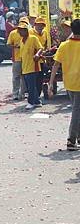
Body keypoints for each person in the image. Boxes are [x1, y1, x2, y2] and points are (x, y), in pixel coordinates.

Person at [48, 19, 80, 150]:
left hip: (69, 83)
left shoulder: (64, 45)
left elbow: (56, 64)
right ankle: (71, 140)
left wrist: (51, 83)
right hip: (78, 83)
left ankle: (78, 138)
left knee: (77, 111)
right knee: (76, 112)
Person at [18, 22, 43, 110]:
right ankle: (37, 101)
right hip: (25, 67)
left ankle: (31, 102)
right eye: (19, 30)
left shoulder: (33, 38)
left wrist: (37, 54)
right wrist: (21, 68)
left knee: (31, 86)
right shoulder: (21, 41)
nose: (20, 32)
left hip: (33, 66)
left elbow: (40, 48)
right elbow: (22, 56)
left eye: (22, 30)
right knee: (31, 86)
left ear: (26, 30)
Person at [7, 18, 28, 100]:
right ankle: (15, 93)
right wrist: (15, 46)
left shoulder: (29, 33)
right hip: (17, 58)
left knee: (25, 76)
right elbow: (8, 44)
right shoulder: (13, 33)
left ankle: (23, 93)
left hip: (26, 58)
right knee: (16, 76)